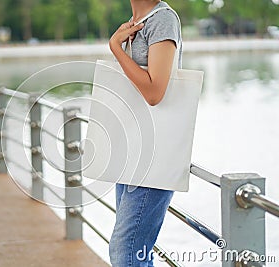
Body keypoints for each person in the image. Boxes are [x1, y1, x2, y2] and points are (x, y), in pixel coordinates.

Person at [108, 0, 182, 266]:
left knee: (125, 251)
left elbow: (154, 92)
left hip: (155, 155)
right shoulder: (134, 22)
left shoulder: (163, 20)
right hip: (132, 148)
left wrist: (116, 48)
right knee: (133, 251)